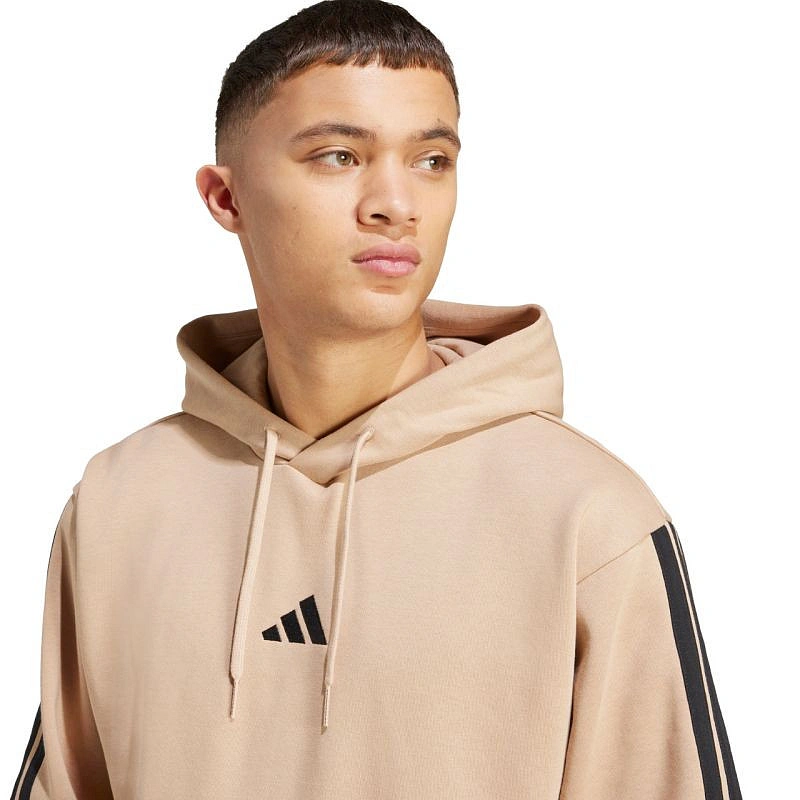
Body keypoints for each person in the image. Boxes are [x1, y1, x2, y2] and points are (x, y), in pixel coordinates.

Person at [11, 1, 743, 798]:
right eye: (338, 156)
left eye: (431, 160)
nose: (397, 203)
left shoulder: (587, 519)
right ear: (226, 199)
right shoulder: (120, 501)